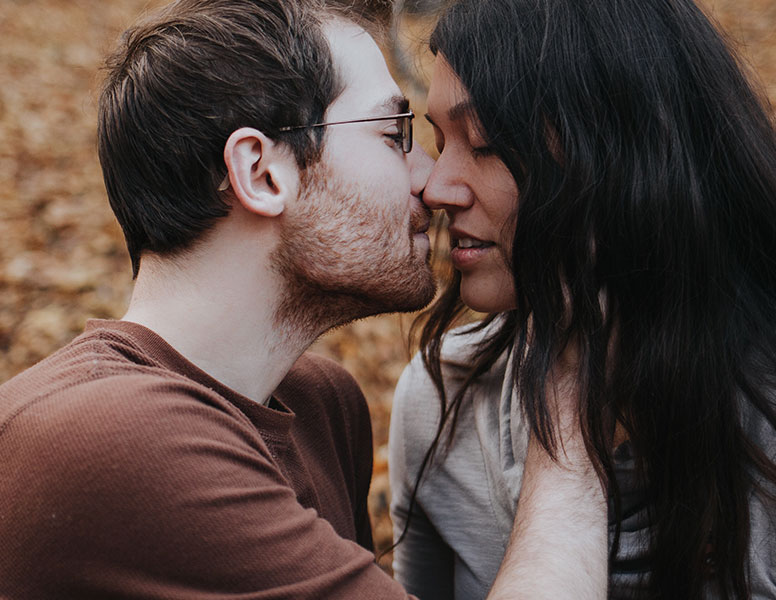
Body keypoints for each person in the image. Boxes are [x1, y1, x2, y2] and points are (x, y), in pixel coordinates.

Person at [0, 0, 607, 598]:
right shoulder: (113, 439)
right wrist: (566, 409)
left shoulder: (320, 407)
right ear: (262, 172)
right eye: (395, 134)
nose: (431, 181)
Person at [389, 0, 776, 598]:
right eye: (437, 139)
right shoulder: (440, 402)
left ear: (620, 159)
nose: (436, 186)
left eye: (483, 143)